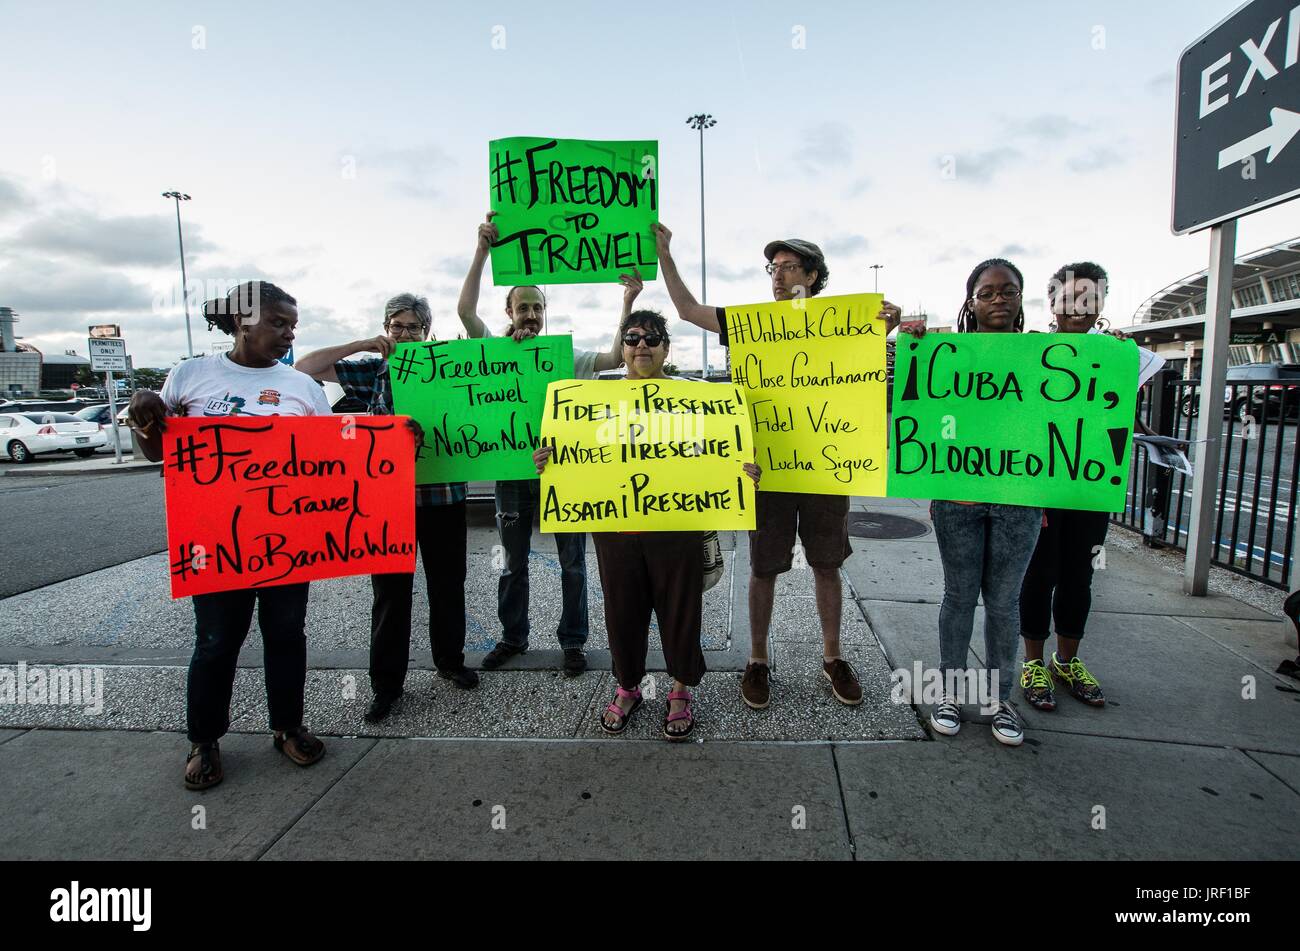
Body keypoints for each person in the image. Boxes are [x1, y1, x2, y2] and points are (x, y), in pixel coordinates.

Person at [652, 223, 902, 710]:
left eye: (789, 267)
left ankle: (833, 657)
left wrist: (886, 326)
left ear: (813, 274)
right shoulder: (753, 325)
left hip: (827, 468)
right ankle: (758, 660)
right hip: (767, 470)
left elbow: (871, 368)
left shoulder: (846, 323)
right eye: (774, 268)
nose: (779, 277)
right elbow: (686, 310)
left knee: (827, 565)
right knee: (763, 568)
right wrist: (665, 255)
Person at [129, 281, 335, 790]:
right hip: (215, 542)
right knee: (217, 641)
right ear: (243, 321)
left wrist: (395, 440)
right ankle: (204, 739)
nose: (288, 334)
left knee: (286, 636)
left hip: (287, 539)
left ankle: (287, 726)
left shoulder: (304, 389)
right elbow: (157, 454)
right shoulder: (190, 375)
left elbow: (335, 462)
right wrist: (144, 414)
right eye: (277, 323)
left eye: (293, 325)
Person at [533, 308, 761, 739]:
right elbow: (574, 456)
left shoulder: (695, 399)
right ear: (622, 349)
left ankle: (679, 690)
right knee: (622, 613)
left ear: (666, 349)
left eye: (652, 338)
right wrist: (550, 462)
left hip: (677, 527)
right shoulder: (589, 402)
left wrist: (741, 471)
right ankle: (628, 686)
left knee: (681, 611)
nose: (642, 345)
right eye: (633, 338)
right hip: (615, 531)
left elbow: (722, 451)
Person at [458, 211, 636, 677]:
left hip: (566, 473)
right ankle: (512, 637)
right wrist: (481, 251)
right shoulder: (495, 351)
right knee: (512, 564)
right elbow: (464, 313)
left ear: (545, 312)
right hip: (515, 472)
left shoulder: (566, 356)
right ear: (510, 313)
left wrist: (628, 300)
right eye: (523, 307)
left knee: (573, 563)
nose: (531, 315)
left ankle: (573, 642)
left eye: (538, 307)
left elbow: (616, 356)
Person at [296, 293, 477, 726]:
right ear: (385, 329)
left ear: (426, 331)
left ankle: (449, 661)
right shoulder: (372, 370)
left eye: (412, 327)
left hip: (444, 496)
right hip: (389, 501)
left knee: (448, 585)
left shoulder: (447, 365)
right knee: (390, 598)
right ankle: (387, 685)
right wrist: (361, 343)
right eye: (395, 326)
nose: (403, 333)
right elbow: (305, 367)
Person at [900, 259, 1042, 747]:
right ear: (971, 302)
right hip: (959, 500)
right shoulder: (946, 354)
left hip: (1019, 501)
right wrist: (910, 339)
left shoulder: (1044, 355)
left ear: (1022, 298)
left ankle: (1001, 700)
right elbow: (914, 397)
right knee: (959, 597)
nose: (998, 299)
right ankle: (951, 693)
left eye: (1008, 291)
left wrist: (1111, 358)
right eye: (987, 292)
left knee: (1004, 603)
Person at [1018, 262, 1162, 710]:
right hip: (1040, 485)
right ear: (1052, 301)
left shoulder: (1119, 354)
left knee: (1080, 576)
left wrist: (1119, 359)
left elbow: (1119, 419)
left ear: (1101, 302)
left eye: (1089, 297)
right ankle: (1034, 664)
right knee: (1038, 575)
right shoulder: (1030, 351)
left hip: (1089, 486)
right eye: (1069, 296)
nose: (1078, 306)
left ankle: (1067, 661)